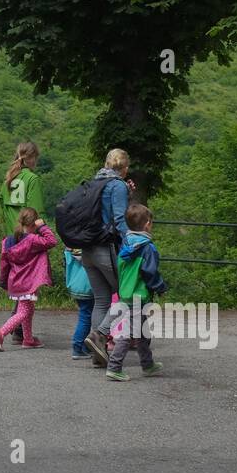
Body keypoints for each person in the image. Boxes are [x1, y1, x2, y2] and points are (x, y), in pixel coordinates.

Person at [102, 202, 168, 382]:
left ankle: (147, 364)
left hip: (126, 293)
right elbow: (150, 273)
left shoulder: (125, 243)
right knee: (130, 332)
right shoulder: (147, 248)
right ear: (147, 224)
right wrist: (161, 287)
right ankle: (114, 367)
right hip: (139, 296)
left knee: (141, 331)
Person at [83, 148, 134, 363]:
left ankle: (98, 354)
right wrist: (134, 243)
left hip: (87, 250)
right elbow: (120, 221)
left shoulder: (95, 182)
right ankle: (100, 334)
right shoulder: (117, 185)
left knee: (102, 301)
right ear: (124, 168)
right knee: (127, 297)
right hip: (107, 249)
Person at [0, 142, 46, 344]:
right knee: (28, 285)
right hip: (27, 238)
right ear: (32, 158)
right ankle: (14, 328)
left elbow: (2, 208)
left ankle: (18, 329)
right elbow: (35, 213)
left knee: (17, 282)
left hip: (11, 237)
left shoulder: (8, 180)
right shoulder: (32, 179)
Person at [0, 209, 56, 350]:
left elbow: (4, 263)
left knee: (28, 309)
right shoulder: (33, 240)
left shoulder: (8, 241)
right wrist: (43, 226)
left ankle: (28, 340)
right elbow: (52, 241)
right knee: (24, 312)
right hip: (29, 282)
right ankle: (1, 332)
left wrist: (3, 281)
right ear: (33, 224)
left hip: (15, 281)